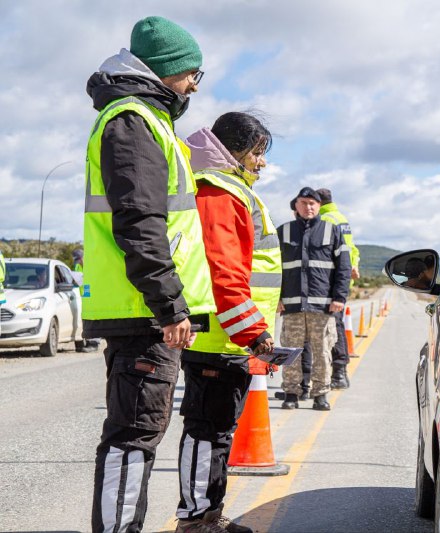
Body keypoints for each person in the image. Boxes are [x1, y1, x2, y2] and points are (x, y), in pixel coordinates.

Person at [83, 16, 216, 533]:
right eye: (191, 73)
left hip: (144, 308)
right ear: (166, 70)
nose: (194, 86)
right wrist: (169, 305)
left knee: (137, 434)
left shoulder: (145, 118)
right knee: (133, 437)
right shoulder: (133, 120)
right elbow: (139, 222)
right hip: (143, 311)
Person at [175, 112, 282, 532]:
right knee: (207, 432)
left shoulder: (230, 190)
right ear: (236, 151)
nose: (263, 163)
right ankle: (197, 520)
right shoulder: (220, 193)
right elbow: (225, 273)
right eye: (258, 152)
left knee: (216, 431)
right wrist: (253, 333)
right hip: (219, 339)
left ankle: (208, 515)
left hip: (227, 338)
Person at [277, 187, 350, 410]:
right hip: (292, 304)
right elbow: (274, 268)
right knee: (291, 353)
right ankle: (291, 393)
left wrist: (339, 297)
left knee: (322, 352)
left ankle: (320, 395)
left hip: (323, 305)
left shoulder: (332, 231)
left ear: (319, 206)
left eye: (312, 203)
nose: (308, 207)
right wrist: (277, 298)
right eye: (303, 203)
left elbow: (343, 268)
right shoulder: (283, 232)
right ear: (295, 206)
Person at [316, 188, 358, 389]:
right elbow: (352, 249)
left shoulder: (326, 220)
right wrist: (354, 265)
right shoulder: (341, 218)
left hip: (331, 281)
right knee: (334, 325)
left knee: (333, 326)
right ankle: (336, 372)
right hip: (340, 281)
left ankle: (339, 373)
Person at [71, 248, 101, 352]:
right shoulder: (77, 266)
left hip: (95, 296)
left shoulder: (93, 264)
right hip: (84, 297)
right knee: (86, 321)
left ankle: (94, 343)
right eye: (76, 260)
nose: (78, 261)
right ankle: (87, 342)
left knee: (94, 319)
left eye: (79, 259)